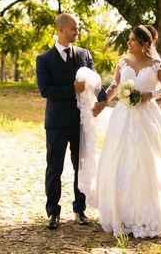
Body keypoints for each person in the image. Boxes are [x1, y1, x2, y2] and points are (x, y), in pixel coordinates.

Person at [92, 25, 161, 238]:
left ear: (145, 43)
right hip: (123, 117)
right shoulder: (123, 62)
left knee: (148, 162)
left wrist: (149, 95)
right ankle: (123, 214)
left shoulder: (156, 64)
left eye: (132, 40)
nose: (128, 43)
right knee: (119, 160)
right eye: (129, 39)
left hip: (146, 117)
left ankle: (149, 214)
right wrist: (101, 102)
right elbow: (114, 86)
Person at [35, 13, 107, 230]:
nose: (77, 33)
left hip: (81, 121)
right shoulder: (44, 59)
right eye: (73, 29)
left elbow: (95, 81)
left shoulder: (84, 54)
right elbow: (45, 90)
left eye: (78, 29)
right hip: (57, 122)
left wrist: (103, 99)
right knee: (54, 167)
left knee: (81, 166)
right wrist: (71, 89)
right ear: (60, 30)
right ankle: (53, 212)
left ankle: (80, 209)